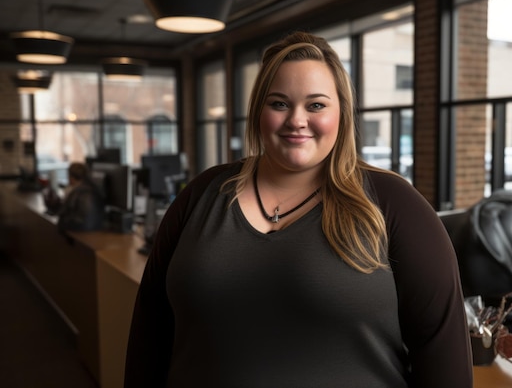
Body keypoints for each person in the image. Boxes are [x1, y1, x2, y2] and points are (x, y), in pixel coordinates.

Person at [124, 31, 473, 388]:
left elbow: (443, 355)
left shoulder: (395, 204)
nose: (296, 120)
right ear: (259, 111)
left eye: (316, 105)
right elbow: (149, 331)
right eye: (278, 103)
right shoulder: (201, 193)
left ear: (342, 114)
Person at [51, 162, 105, 232]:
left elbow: (63, 212)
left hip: (81, 228)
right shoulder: (94, 188)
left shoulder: (76, 191)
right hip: (96, 226)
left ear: (71, 177)